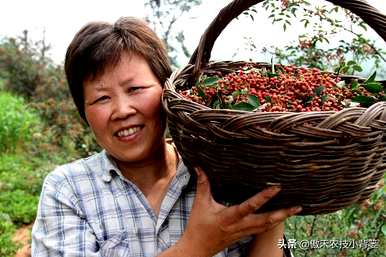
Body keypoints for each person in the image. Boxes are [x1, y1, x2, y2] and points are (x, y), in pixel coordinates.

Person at [31, 16, 301, 257]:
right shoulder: (69, 190)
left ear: (167, 91)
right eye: (102, 98)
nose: (122, 110)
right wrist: (198, 246)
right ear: (84, 111)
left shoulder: (221, 174)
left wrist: (271, 211)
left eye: (135, 88)